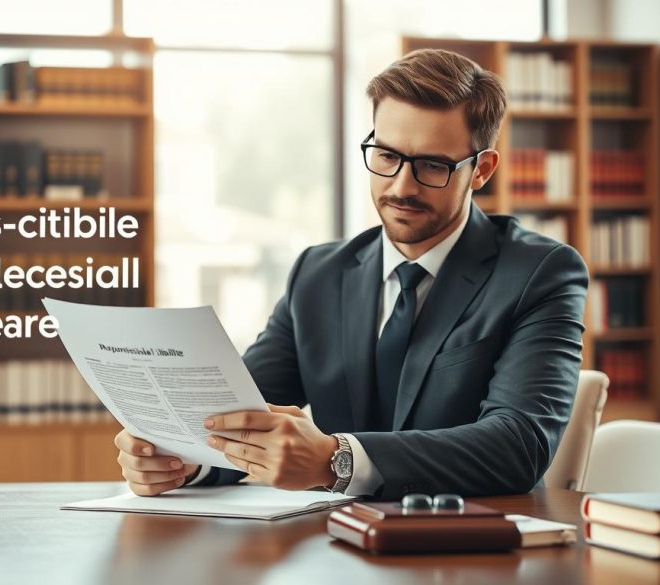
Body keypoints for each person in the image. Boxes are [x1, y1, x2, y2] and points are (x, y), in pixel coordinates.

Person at [114, 48, 588, 499]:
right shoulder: (318, 274)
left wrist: (335, 460)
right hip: (335, 549)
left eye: (432, 166)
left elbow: (518, 445)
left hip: (469, 548)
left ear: (481, 170)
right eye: (386, 156)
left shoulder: (541, 274)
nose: (402, 186)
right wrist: (183, 460)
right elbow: (238, 412)